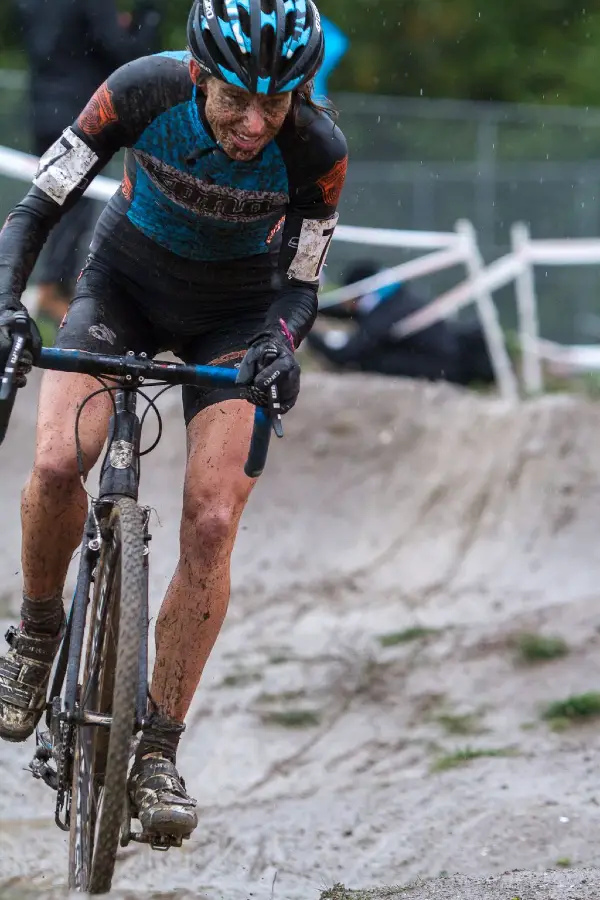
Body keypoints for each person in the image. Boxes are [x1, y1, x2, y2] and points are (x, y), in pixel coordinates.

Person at [0, 0, 347, 841]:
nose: (257, 123)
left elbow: (301, 283)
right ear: (197, 74)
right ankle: (39, 634)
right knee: (55, 463)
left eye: (278, 102)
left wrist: (283, 340)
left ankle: (156, 751)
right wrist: (7, 304)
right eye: (237, 99)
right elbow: (39, 204)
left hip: (235, 313)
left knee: (213, 520)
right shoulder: (137, 91)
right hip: (122, 284)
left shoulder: (317, 149)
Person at [13, 0, 164, 342]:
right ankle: (54, 286)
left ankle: (51, 284)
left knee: (53, 197)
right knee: (73, 205)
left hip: (43, 108)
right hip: (79, 113)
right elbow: (125, 53)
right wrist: (147, 16)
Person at [308, 261, 495, 386]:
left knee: (369, 359)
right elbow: (352, 313)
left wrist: (302, 332)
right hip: (446, 362)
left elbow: (343, 355)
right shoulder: (396, 300)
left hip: (443, 370)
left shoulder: (386, 314)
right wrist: (310, 307)